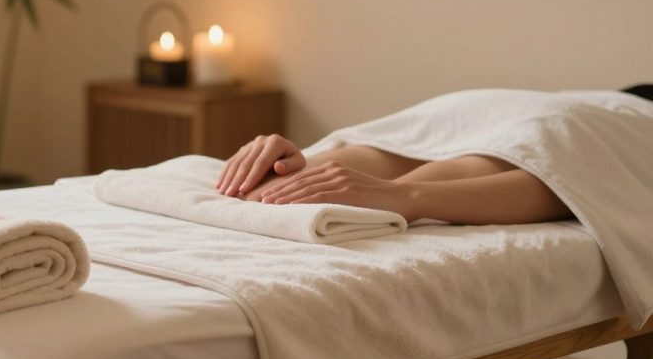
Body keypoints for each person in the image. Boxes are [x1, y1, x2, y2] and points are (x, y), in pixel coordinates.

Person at [216, 136, 572, 225]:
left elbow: (567, 181)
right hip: (472, 111)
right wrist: (294, 159)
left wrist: (408, 196)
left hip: (593, 124)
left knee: (494, 158)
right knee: (270, 190)